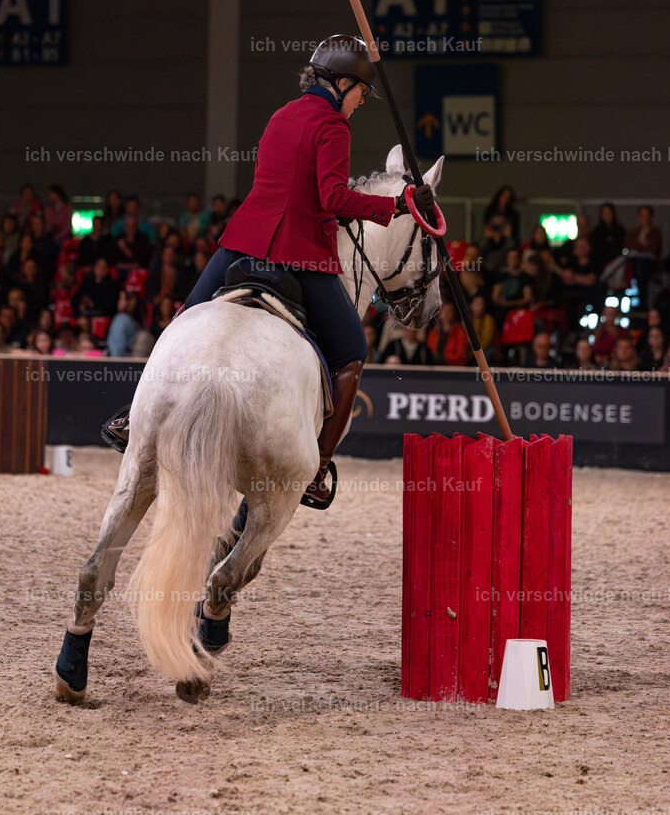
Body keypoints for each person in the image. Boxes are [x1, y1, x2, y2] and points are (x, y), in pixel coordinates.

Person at [103, 35, 435, 506]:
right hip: (301, 253)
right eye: (361, 91)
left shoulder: (281, 115)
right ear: (342, 83)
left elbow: (287, 187)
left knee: (184, 321)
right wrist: (399, 203)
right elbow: (332, 198)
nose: (362, 101)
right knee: (352, 353)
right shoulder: (335, 127)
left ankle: (133, 418)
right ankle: (317, 470)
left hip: (243, 242)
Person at [491, 248, 533, 323]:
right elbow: (495, 296)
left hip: (518, 312)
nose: (512, 260)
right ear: (507, 259)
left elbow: (527, 298)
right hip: (501, 312)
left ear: (519, 259)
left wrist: (510, 303)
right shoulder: (501, 275)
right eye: (510, 257)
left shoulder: (525, 277)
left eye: (515, 257)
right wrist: (502, 302)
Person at [427, 301, 468, 366]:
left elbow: (461, 356)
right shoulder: (433, 333)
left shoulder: (460, 331)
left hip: (454, 369)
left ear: (453, 313)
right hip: (435, 368)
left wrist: (444, 359)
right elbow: (429, 353)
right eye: (444, 311)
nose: (446, 314)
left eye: (449, 311)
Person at [590, 203, 626, 271]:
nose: (607, 215)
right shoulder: (596, 232)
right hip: (600, 263)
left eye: (608, 213)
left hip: (617, 262)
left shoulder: (620, 230)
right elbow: (595, 248)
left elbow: (623, 248)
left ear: (613, 214)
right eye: (604, 213)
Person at [44, 184, 73, 249]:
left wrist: (59, 236)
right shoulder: (49, 209)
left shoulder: (67, 208)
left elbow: (68, 227)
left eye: (51, 194)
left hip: (65, 239)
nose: (50, 196)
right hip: (51, 239)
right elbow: (48, 225)